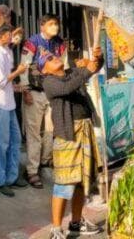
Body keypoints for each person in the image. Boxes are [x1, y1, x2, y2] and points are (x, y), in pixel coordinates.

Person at [42, 46, 105, 238]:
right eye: (48, 59)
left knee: (80, 182)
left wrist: (97, 58)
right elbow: (67, 87)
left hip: (84, 129)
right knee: (64, 183)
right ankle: (55, 228)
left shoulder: (71, 73)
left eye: (53, 55)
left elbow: (93, 67)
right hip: (67, 135)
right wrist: (87, 70)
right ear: (44, 70)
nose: (53, 57)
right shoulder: (49, 82)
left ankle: (76, 223)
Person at [21, 14, 67, 188]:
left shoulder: (60, 44)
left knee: (50, 130)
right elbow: (24, 67)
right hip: (34, 92)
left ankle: (45, 161)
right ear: (42, 26)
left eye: (56, 24)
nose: (55, 27)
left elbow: (64, 67)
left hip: (52, 93)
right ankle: (32, 171)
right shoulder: (32, 42)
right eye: (51, 24)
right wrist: (25, 90)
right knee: (34, 133)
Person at [0, 23, 29, 197]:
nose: (12, 37)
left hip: (7, 103)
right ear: (0, 36)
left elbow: (5, 82)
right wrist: (18, 71)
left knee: (15, 140)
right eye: (9, 34)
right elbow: (1, 81)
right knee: (0, 143)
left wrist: (16, 87)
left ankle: (11, 177)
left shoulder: (4, 52)